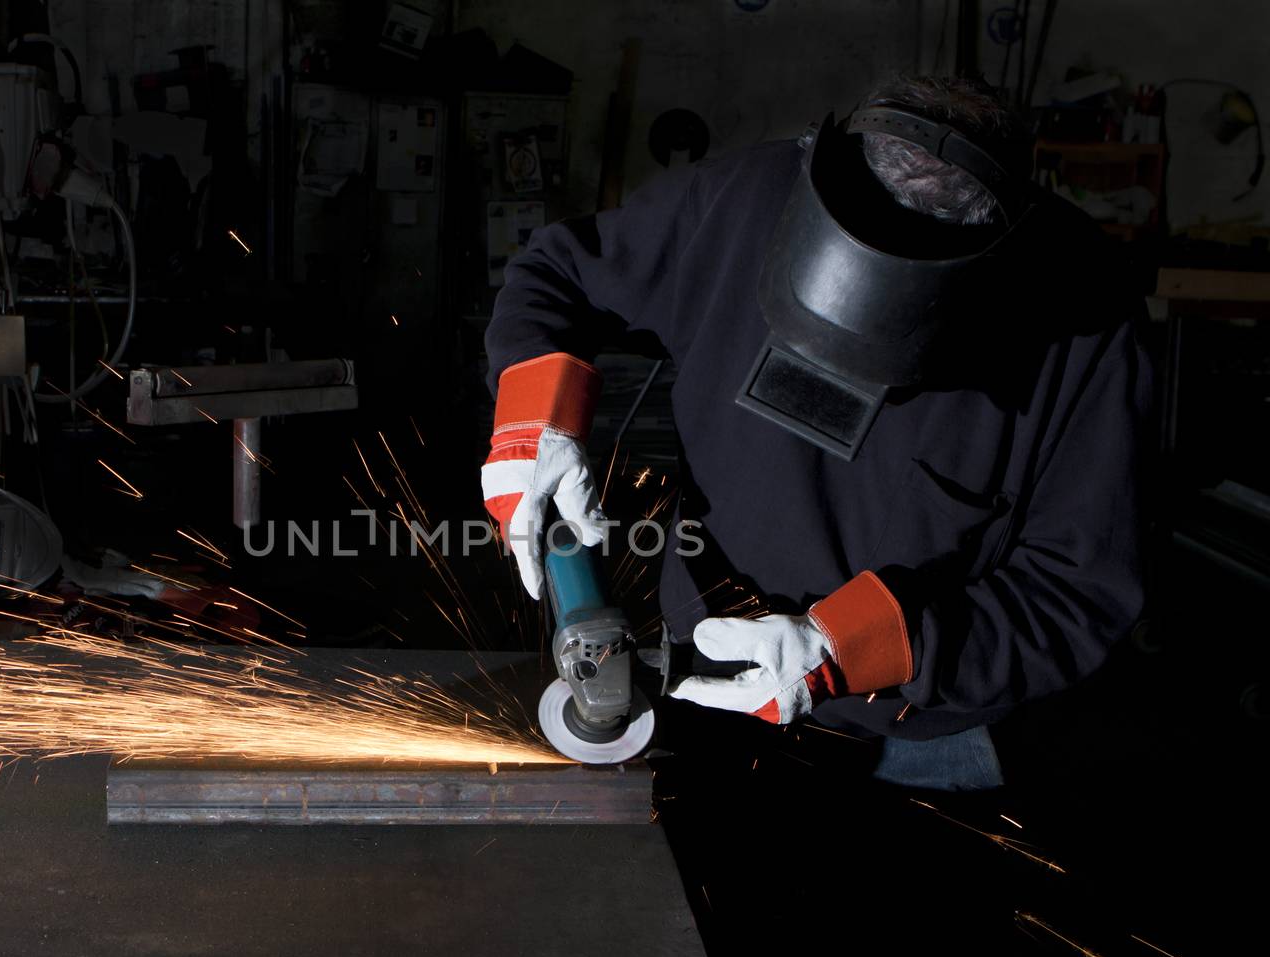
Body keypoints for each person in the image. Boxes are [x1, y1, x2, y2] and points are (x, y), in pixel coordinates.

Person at [478, 74, 1153, 791]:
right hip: (694, 682)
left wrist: (853, 646)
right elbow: (558, 272)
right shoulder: (747, 197)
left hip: (916, 744)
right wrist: (534, 420)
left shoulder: (1088, 316)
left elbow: (1077, 593)